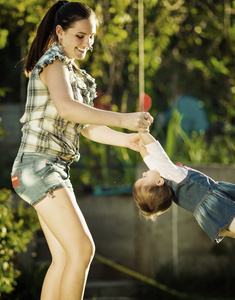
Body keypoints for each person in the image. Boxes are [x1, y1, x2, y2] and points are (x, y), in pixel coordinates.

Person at [10, 2, 153, 300]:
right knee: (83, 250)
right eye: (79, 36)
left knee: (64, 258)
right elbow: (67, 108)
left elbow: (86, 126)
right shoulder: (53, 63)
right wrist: (125, 119)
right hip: (38, 167)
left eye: (91, 37)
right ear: (60, 33)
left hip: (50, 169)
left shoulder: (78, 76)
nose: (87, 43)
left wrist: (126, 139)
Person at [132, 132, 235, 278]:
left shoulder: (167, 182)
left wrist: (140, 147)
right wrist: (143, 131)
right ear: (159, 181)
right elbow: (156, 149)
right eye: (144, 177)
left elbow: (150, 160)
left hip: (207, 217)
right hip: (215, 207)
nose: (144, 172)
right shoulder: (170, 173)